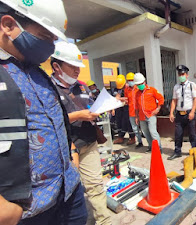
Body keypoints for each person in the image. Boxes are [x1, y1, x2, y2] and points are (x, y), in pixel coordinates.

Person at [0, 0, 87, 224]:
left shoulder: (39, 75)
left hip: (68, 193)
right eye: (45, 37)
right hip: (29, 211)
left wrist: (71, 153)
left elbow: (54, 121)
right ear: (8, 25)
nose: (50, 46)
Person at [50, 41, 111, 225]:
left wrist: (99, 110)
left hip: (89, 142)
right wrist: (78, 115)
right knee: (69, 192)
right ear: (56, 66)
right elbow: (48, 120)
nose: (77, 71)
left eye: (79, 66)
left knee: (95, 186)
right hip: (66, 150)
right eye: (73, 66)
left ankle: (104, 221)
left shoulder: (82, 87)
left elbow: (91, 106)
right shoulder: (47, 88)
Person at [168, 65, 196, 160]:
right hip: (179, 114)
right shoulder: (176, 87)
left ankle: (194, 151)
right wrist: (171, 112)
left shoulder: (192, 85)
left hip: (189, 113)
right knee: (178, 134)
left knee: (192, 134)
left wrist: (192, 112)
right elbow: (174, 100)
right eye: (179, 74)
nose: (181, 76)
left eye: (183, 74)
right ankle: (177, 151)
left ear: (187, 75)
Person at [134, 73, 164, 152]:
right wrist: (136, 117)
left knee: (153, 132)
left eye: (141, 84)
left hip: (151, 115)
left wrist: (158, 109)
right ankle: (151, 147)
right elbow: (136, 106)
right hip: (141, 116)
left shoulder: (152, 90)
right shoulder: (137, 93)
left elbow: (161, 99)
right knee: (145, 132)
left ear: (144, 82)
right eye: (138, 84)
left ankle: (159, 148)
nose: (140, 85)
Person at [112, 74, 136, 145]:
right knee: (121, 123)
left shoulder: (130, 88)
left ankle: (132, 138)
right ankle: (121, 137)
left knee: (129, 123)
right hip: (120, 108)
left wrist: (125, 100)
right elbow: (117, 98)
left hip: (128, 108)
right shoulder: (119, 89)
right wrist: (120, 99)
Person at [125, 72, 143, 148]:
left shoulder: (138, 88)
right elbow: (127, 100)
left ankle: (151, 143)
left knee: (144, 128)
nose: (130, 81)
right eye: (129, 80)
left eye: (132, 80)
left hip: (140, 112)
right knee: (135, 129)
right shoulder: (126, 90)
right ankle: (140, 142)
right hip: (131, 112)